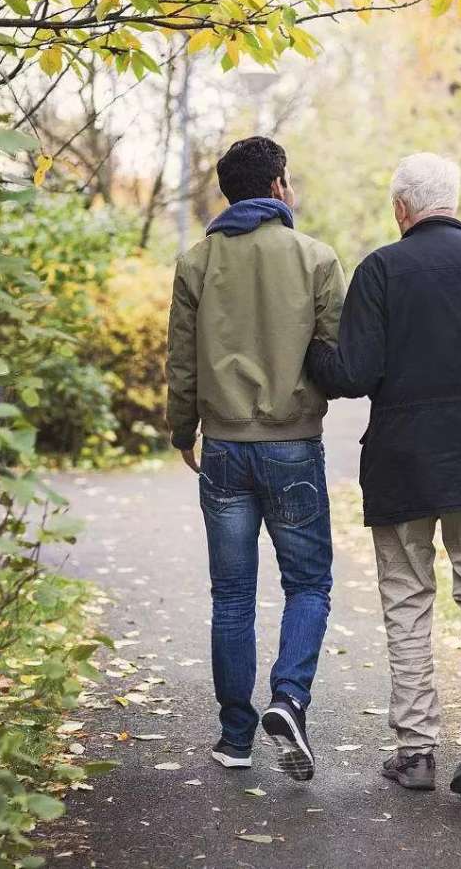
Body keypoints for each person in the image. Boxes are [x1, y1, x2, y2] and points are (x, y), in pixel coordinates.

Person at [307, 152, 461, 797]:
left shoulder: (382, 269)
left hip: (401, 460)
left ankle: (416, 751)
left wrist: (312, 352)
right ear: (454, 200)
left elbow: (355, 373)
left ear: (401, 209)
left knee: (409, 599)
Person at [166, 135, 345, 781]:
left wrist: (181, 427)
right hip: (292, 443)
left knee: (233, 594)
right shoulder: (316, 258)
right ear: (277, 186)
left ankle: (235, 736)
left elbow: (181, 359)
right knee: (309, 583)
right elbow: (333, 355)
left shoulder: (195, 262)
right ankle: (289, 698)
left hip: (223, 447)